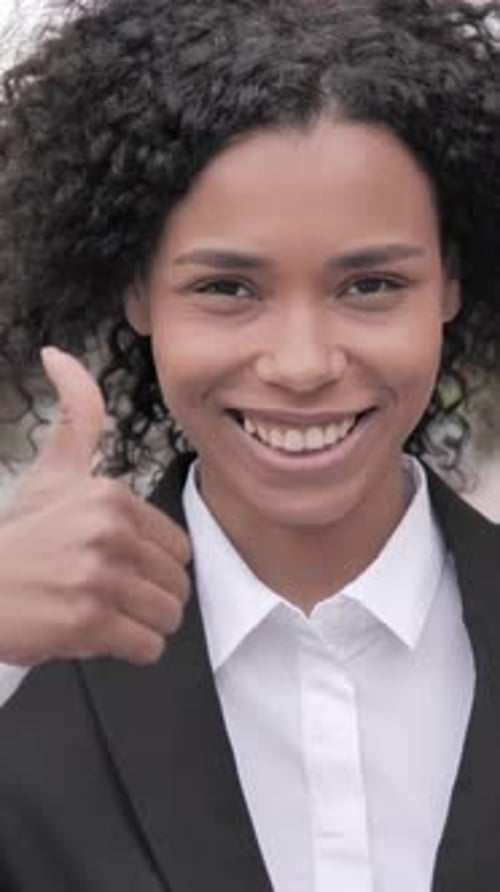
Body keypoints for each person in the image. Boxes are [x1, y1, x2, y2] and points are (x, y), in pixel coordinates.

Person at [0, 0, 498, 889]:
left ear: (451, 282)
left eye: (371, 284)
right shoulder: (22, 669)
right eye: (228, 288)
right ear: (137, 291)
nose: (302, 365)